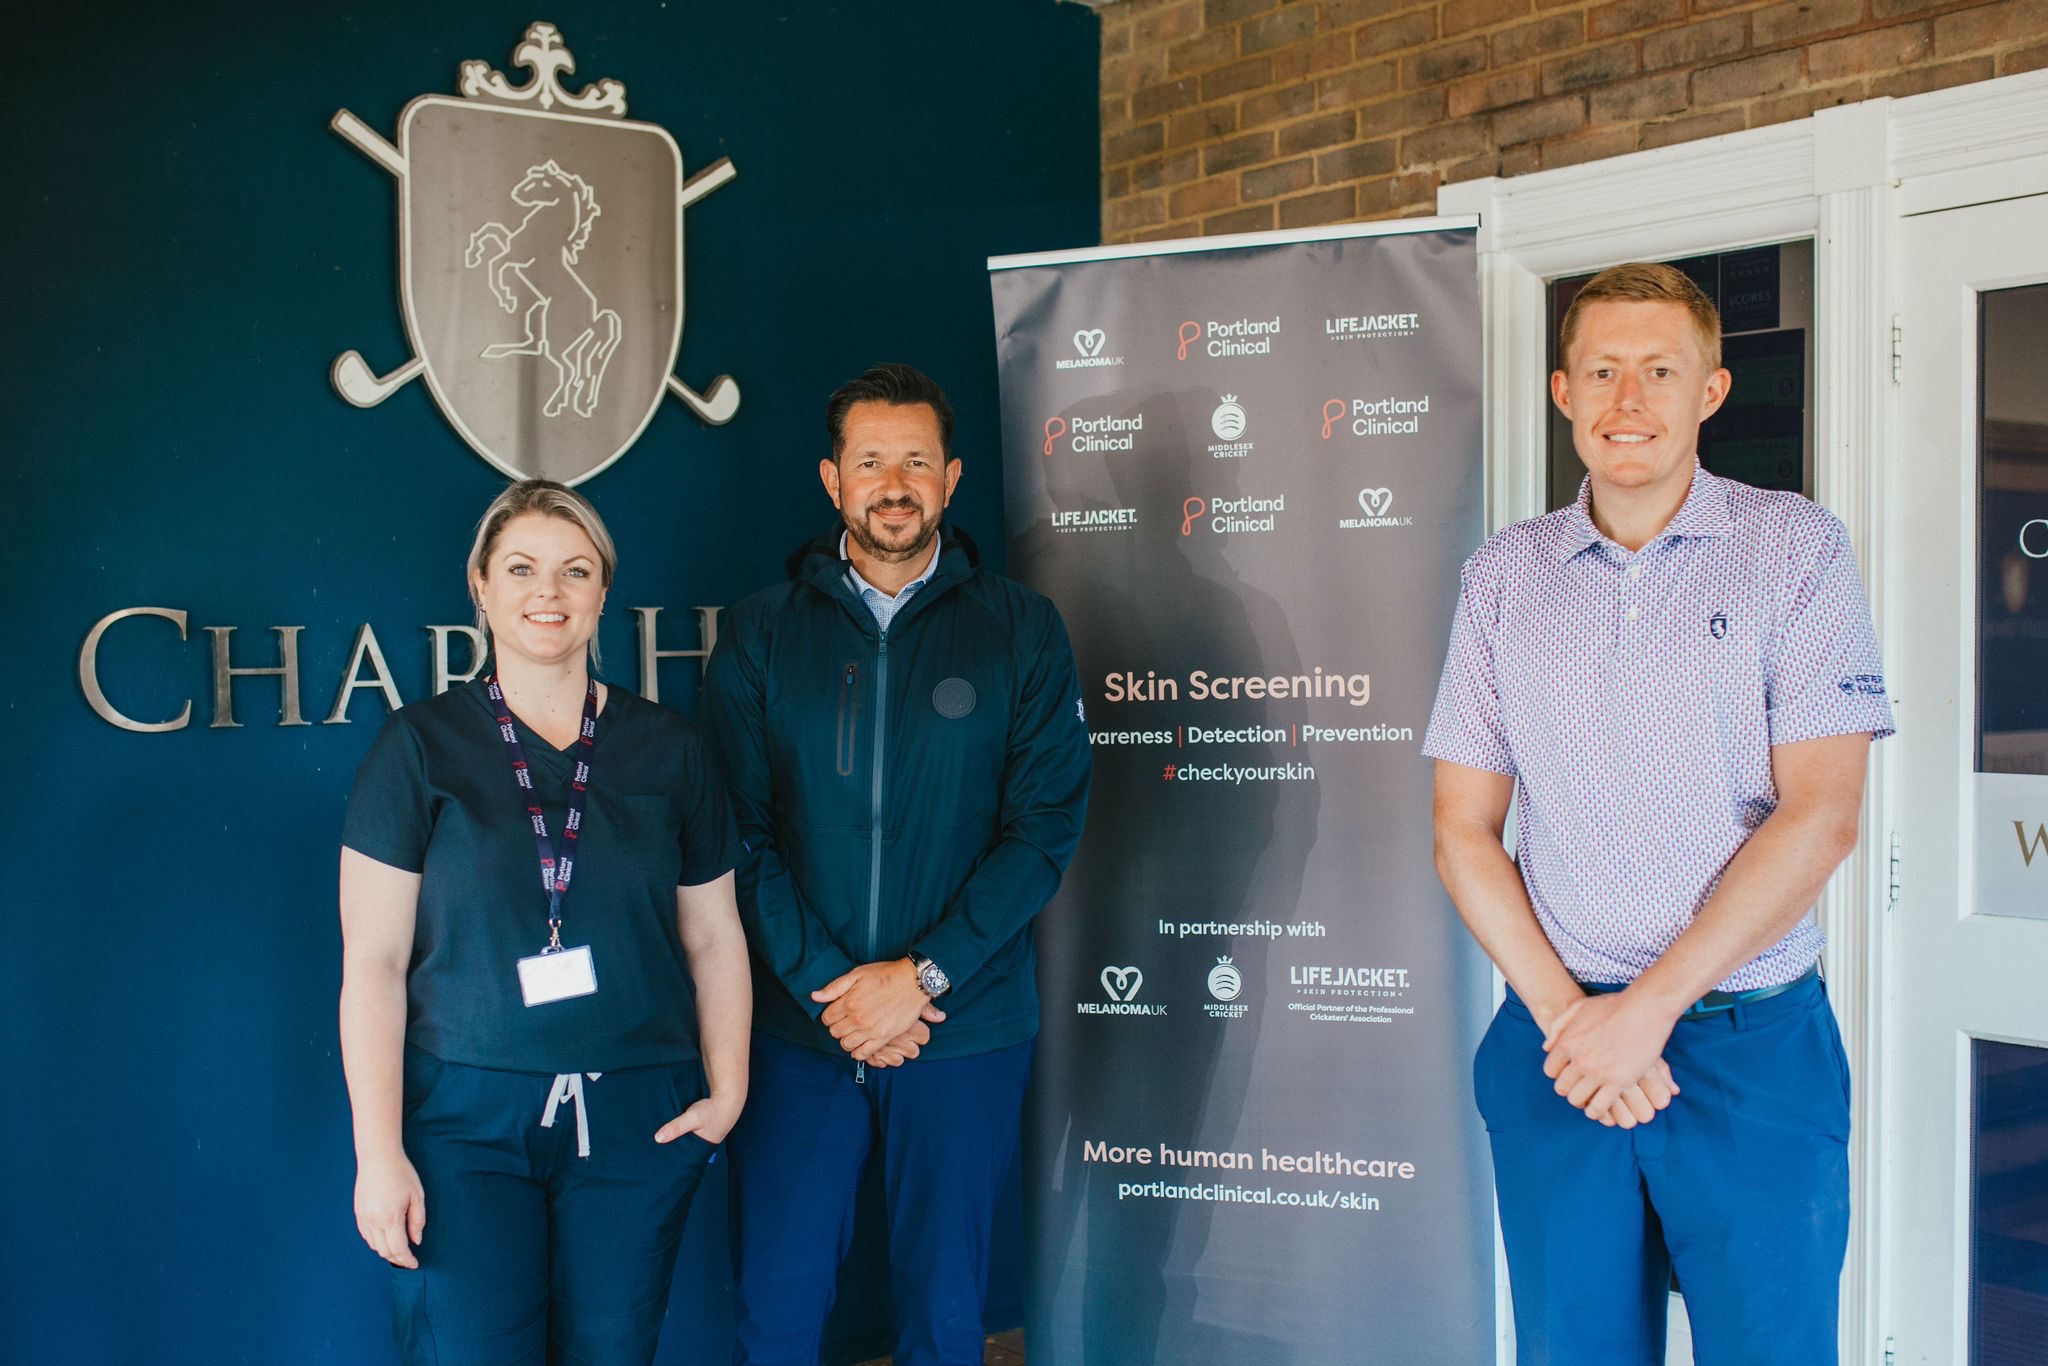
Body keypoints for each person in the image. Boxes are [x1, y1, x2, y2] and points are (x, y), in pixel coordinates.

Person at [1424, 262, 1893, 1364]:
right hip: (1557, 1050)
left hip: (1748, 1052)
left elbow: (1820, 815)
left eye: (1656, 371)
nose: (1625, 401)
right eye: (1600, 371)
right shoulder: (1502, 576)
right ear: (1561, 393)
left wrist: (1648, 1011)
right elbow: (1459, 829)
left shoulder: (1795, 548)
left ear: (1708, 392)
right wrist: (1574, 1022)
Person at [702, 363, 1092, 1366]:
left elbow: (1043, 827)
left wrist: (917, 978)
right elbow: (736, 831)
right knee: (778, 1306)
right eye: (870, 460)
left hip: (963, 1026)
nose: (893, 482)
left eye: (915, 460)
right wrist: (839, 992)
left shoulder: (1021, 629)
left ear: (951, 477)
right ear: (832, 479)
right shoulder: (759, 632)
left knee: (945, 1309)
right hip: (801, 1028)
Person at [338, 478, 750, 1364]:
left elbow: (714, 934)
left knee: (614, 1351)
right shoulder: (418, 748)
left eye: (574, 571)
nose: (547, 594)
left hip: (639, 1112)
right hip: (463, 1124)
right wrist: (379, 1154)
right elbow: (371, 963)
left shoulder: (668, 748)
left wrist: (729, 1089)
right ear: (481, 586)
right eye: (521, 568)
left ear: (604, 592)